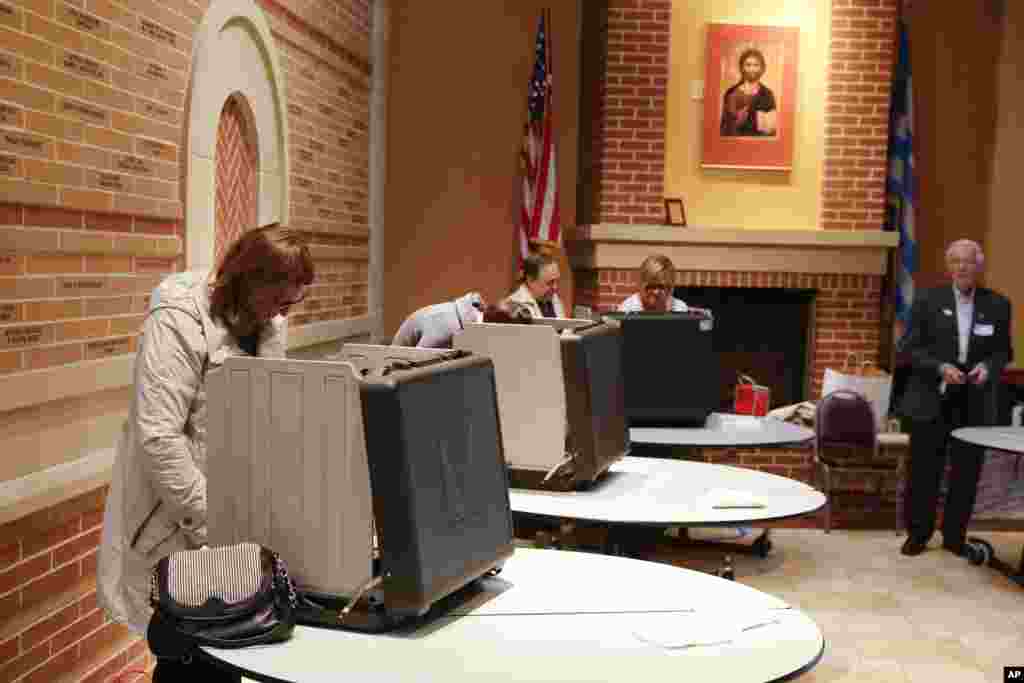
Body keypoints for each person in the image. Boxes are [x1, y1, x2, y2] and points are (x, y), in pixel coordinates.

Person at [97, 225, 315, 681]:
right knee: (190, 661)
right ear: (249, 279)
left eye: (290, 304)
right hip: (179, 524)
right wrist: (218, 525)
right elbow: (159, 436)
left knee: (230, 652)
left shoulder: (267, 324)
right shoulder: (178, 315)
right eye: (278, 300)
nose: (283, 312)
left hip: (236, 524)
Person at [899, 239, 1013, 557]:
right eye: (956, 262)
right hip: (932, 397)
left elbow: (1004, 351)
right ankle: (918, 535)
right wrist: (940, 366)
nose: (962, 267)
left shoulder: (998, 305)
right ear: (949, 267)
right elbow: (908, 350)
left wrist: (988, 367)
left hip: (973, 400)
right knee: (924, 470)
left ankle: (954, 537)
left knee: (966, 473)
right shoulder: (926, 301)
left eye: (968, 261)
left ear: (979, 266)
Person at [720, 48, 777, 137]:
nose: (752, 69)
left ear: (762, 68)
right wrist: (736, 121)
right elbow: (724, 128)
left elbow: (772, 129)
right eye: (748, 65)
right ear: (742, 67)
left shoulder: (767, 94)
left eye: (756, 65)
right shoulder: (731, 93)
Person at [618, 254, 690, 313]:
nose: (656, 292)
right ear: (641, 285)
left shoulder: (680, 309)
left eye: (661, 286)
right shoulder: (627, 309)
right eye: (651, 286)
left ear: (669, 288)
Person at [505, 251, 565, 318]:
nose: (555, 287)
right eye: (549, 283)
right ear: (530, 280)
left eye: (556, 281)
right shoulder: (514, 305)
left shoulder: (554, 299)